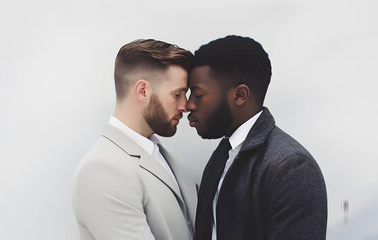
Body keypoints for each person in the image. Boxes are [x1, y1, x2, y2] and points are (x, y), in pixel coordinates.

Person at [187, 35, 327, 240]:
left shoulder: (292, 167)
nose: (189, 104)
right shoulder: (221, 157)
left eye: (198, 95)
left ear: (240, 95)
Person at [72, 39, 197, 240]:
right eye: (177, 94)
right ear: (142, 91)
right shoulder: (100, 170)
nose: (185, 105)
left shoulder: (174, 162)